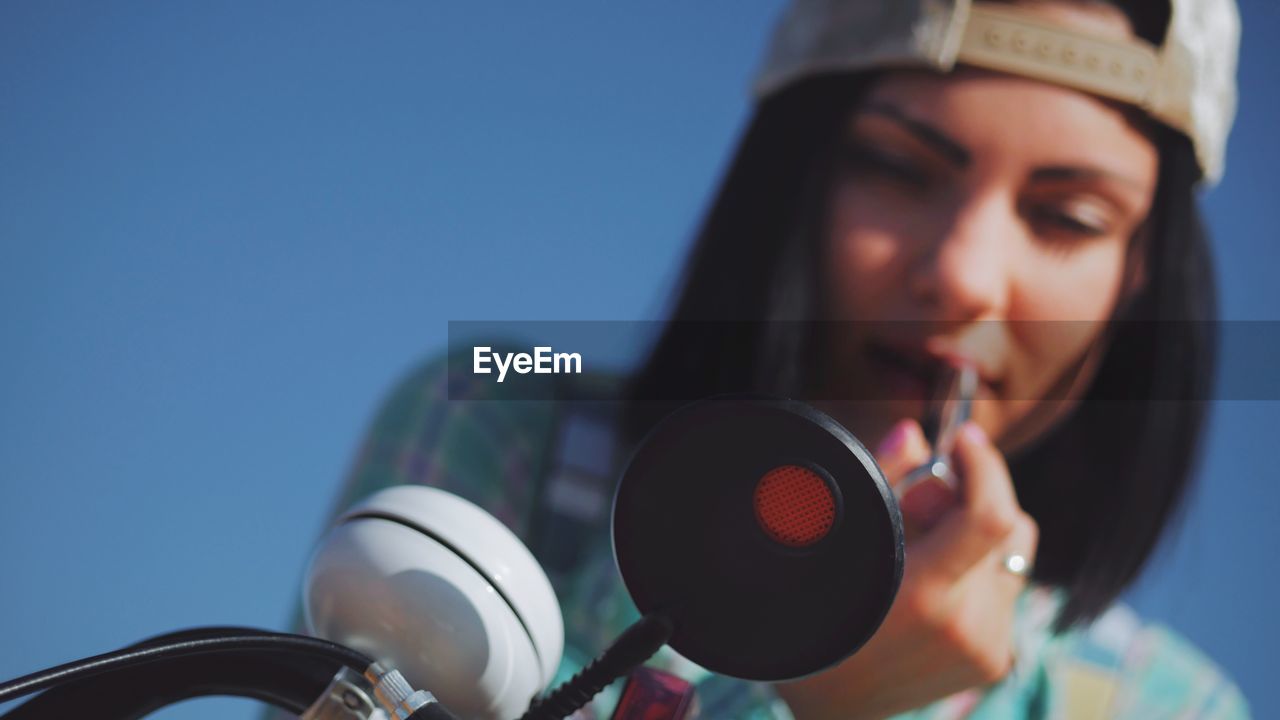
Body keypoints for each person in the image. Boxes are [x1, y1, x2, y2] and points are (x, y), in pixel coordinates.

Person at [323, 0, 1250, 717]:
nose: (964, 276)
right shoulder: (497, 412)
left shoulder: (1165, 701)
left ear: (1139, 283)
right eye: (897, 167)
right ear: (786, 184)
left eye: (1068, 218)